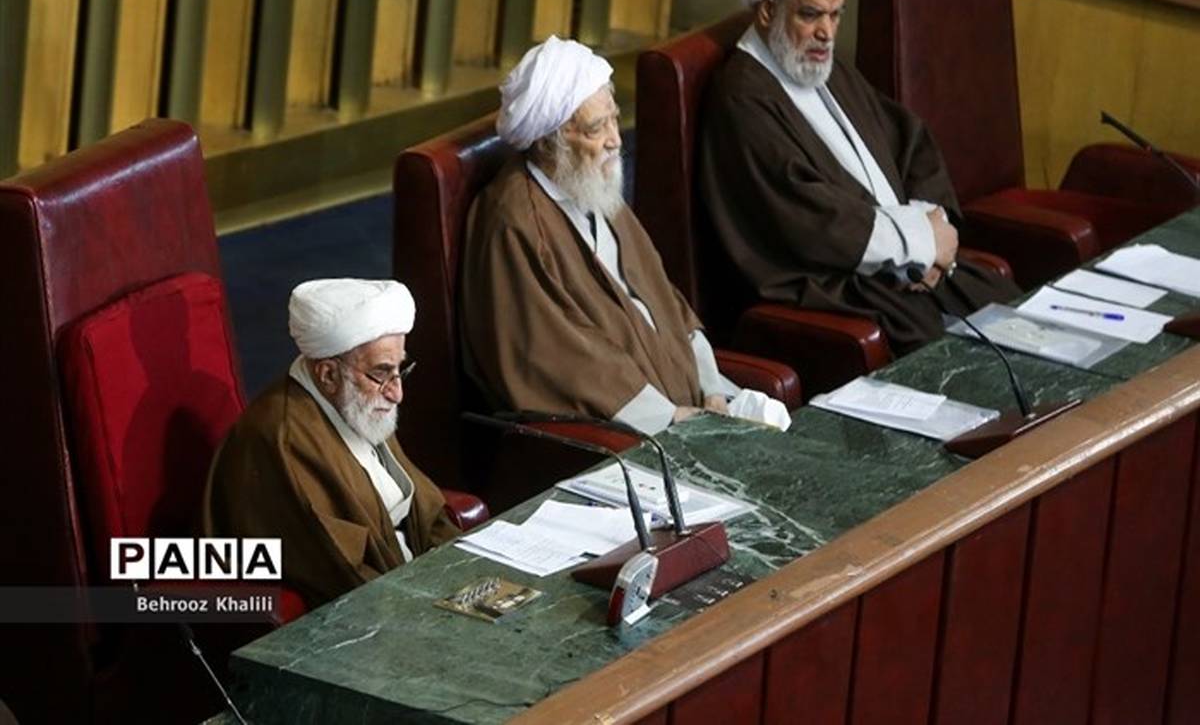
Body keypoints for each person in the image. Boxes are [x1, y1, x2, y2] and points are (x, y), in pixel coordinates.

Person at [698, 0, 1019, 355]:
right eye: (811, 15)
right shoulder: (743, 97)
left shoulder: (821, 66)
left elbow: (909, 141)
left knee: (1015, 316)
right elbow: (807, 219)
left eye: (835, 15)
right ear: (768, 11)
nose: (826, 33)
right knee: (951, 356)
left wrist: (932, 225)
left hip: (900, 265)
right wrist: (918, 245)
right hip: (836, 280)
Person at [460, 36, 788, 435]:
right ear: (550, 142)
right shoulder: (514, 224)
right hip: (627, 434)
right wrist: (671, 417)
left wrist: (712, 388)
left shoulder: (592, 186)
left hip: (693, 406)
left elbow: (666, 301)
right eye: (596, 128)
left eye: (614, 119)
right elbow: (558, 363)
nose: (615, 139)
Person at [201, 278, 458, 608]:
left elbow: (421, 507)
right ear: (328, 375)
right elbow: (342, 573)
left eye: (400, 370)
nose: (397, 393)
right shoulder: (286, 441)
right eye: (382, 374)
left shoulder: (357, 403)